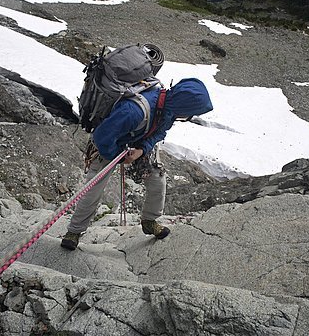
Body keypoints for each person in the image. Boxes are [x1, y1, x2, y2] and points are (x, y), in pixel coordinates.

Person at [61, 78, 213, 250]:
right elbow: (102, 137)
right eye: (190, 113)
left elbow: (160, 133)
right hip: (107, 146)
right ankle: (74, 232)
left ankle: (149, 221)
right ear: (184, 108)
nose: (188, 117)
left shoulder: (169, 108)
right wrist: (117, 155)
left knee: (157, 179)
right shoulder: (134, 111)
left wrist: (141, 150)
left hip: (137, 143)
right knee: (94, 186)